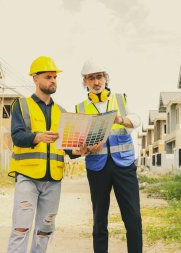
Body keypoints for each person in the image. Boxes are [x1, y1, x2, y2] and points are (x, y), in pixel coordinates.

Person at [7, 56, 81, 253]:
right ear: (35, 78)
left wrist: (78, 151)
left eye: (55, 77)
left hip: (53, 179)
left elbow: (67, 148)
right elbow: (17, 137)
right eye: (48, 77)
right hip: (28, 177)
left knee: (45, 230)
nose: (53, 80)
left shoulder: (62, 112)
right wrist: (37, 137)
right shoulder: (22, 106)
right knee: (21, 228)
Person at [75, 60, 143, 253]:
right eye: (91, 78)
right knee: (99, 220)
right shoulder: (80, 108)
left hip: (124, 165)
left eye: (99, 77)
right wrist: (85, 147)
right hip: (97, 167)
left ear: (106, 78)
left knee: (133, 218)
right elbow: (78, 141)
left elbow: (137, 120)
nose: (96, 82)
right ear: (85, 81)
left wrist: (121, 119)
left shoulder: (120, 99)